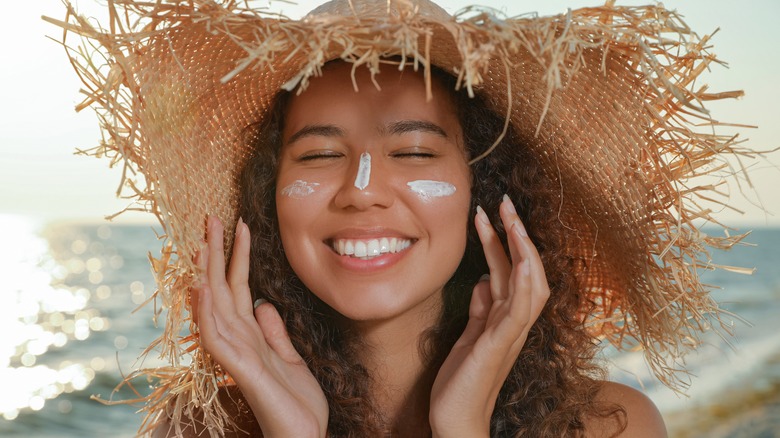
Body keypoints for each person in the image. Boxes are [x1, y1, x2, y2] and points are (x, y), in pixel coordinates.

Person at [52, 0, 754, 436]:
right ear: (266, 199)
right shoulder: (194, 433)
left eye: (414, 150)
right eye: (320, 155)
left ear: (485, 188)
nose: (363, 191)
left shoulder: (611, 427)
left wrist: (463, 430)